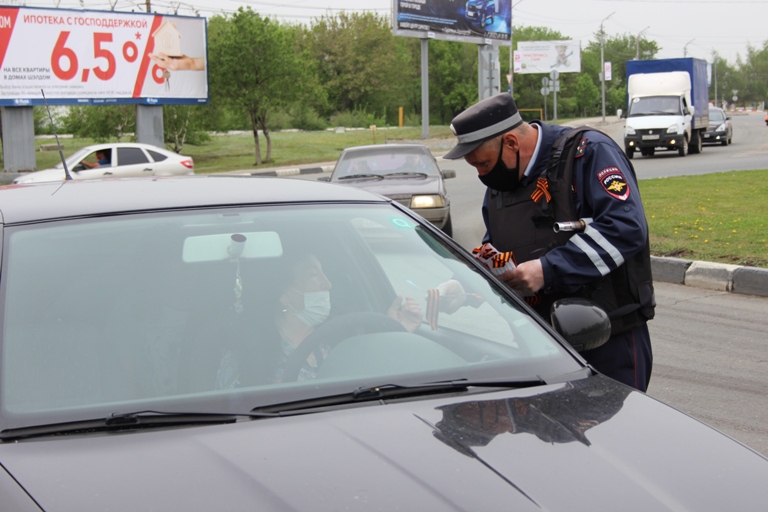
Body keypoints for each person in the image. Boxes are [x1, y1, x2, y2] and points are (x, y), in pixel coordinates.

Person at [443, 93, 655, 392]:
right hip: (539, 341)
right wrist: (467, 281)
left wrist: (546, 270)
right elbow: (498, 245)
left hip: (607, 337)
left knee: (613, 436)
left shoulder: (588, 153)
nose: (481, 175)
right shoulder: (501, 181)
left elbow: (626, 227)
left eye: (484, 164)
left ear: (512, 143)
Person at [273, 253, 422, 382]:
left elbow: (373, 371)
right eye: (313, 274)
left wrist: (396, 331)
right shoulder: (262, 352)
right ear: (282, 293)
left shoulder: (342, 332)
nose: (328, 284)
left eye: (323, 272)